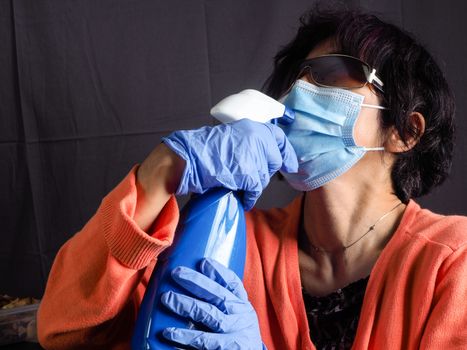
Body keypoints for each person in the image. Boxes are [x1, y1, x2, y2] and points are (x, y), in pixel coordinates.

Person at [37, 4, 467, 350]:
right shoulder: (227, 241)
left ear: (405, 132)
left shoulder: (452, 263)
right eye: (298, 77)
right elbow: (63, 330)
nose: (301, 91)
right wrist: (163, 170)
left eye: (332, 73)